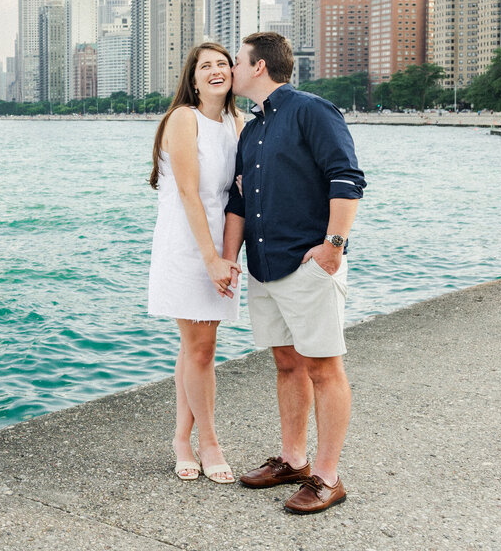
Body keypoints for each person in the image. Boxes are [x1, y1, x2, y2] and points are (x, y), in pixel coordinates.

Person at [221, 32, 366, 514]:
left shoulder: (312, 111)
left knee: (324, 368)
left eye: (237, 61)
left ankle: (327, 477)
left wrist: (334, 247)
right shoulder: (252, 130)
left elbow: (346, 178)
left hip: (308, 264)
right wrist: (230, 259)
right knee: (286, 363)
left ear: (259, 67)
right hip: (264, 266)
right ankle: (294, 459)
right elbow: (239, 202)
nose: (231, 69)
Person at [147, 42, 244, 484]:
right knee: (200, 348)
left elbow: (234, 197)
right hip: (186, 246)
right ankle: (208, 442)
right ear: (193, 78)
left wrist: (228, 255)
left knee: (197, 348)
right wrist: (210, 258)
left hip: (220, 248)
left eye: (223, 64)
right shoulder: (183, 119)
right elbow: (189, 193)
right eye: (206, 66)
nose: (216, 71)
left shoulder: (236, 123)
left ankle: (182, 438)